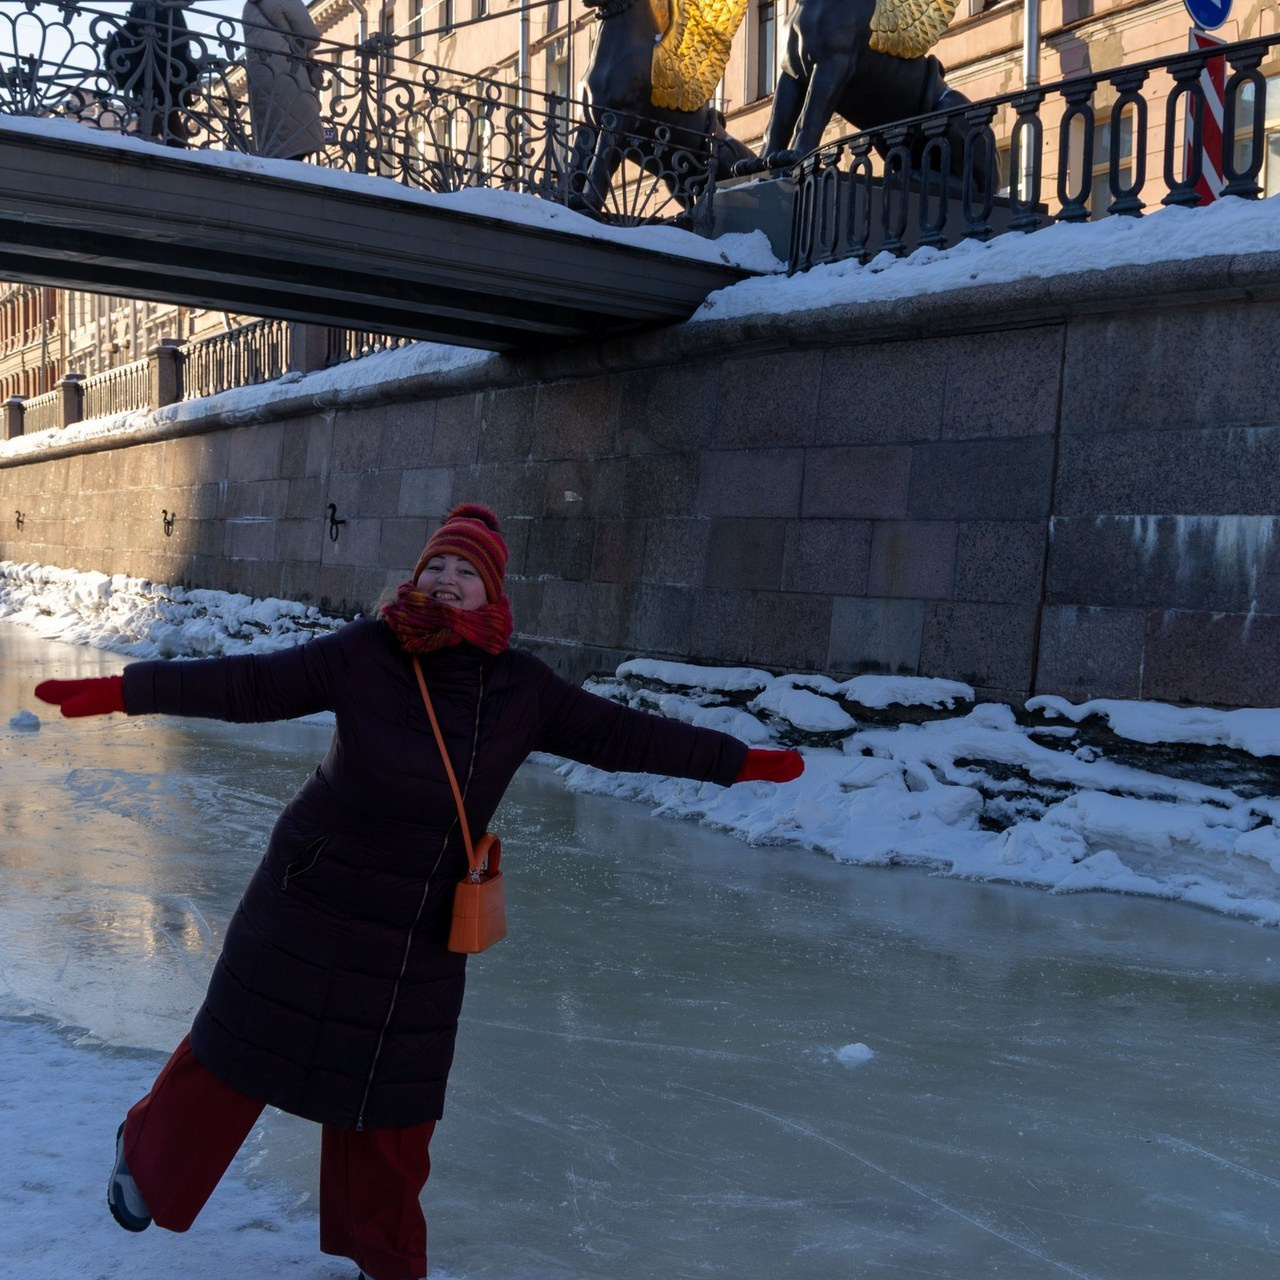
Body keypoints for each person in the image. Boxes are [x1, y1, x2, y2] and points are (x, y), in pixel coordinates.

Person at [35, 504, 803, 1280]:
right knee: (240, 1047)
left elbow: (627, 736)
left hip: (419, 924)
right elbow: (253, 684)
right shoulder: (366, 653)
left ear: (492, 594)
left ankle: (387, 1258)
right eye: (436, 565)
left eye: (465, 571)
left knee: (392, 1102)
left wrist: (736, 761)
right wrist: (127, 689)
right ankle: (147, 1158)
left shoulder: (522, 690)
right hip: (311, 892)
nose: (445, 580)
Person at [102, 1, 202, 146]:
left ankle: (146, 144)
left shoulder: (153, 9)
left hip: (155, 69)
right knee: (163, 116)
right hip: (163, 68)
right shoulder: (165, 10)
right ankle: (154, 146)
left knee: (160, 115)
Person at [242, 0, 326, 161]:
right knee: (297, 136)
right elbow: (312, 37)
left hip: (263, 74)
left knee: (276, 141)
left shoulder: (249, 6)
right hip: (288, 72)